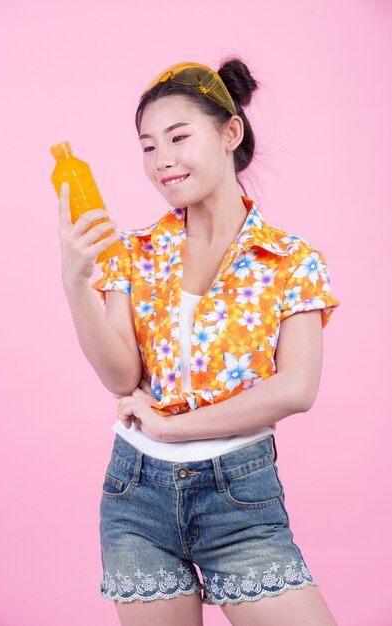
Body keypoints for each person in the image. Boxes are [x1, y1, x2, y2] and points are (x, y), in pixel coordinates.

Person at [59, 58, 340, 625]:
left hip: (239, 498)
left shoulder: (290, 261)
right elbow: (121, 376)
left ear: (230, 133)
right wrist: (74, 281)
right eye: (146, 146)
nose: (162, 159)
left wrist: (171, 425)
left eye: (179, 137)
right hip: (136, 495)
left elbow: (297, 388)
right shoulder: (134, 253)